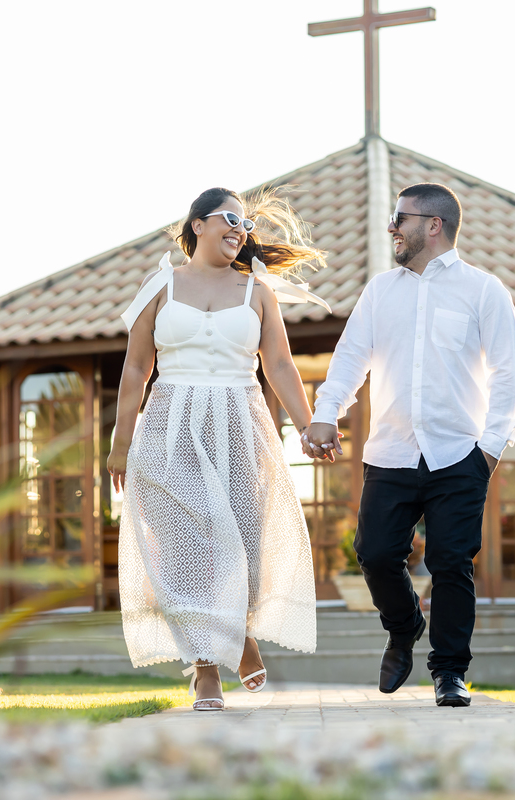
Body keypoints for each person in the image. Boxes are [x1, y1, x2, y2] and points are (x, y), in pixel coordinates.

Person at [109, 187, 331, 711]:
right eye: (231, 218)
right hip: (170, 427)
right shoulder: (160, 283)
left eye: (247, 225)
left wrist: (309, 425)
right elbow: (136, 368)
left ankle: (242, 634)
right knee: (181, 555)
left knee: (244, 549)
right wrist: (120, 445)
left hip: (239, 424)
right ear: (198, 224)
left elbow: (279, 366)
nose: (241, 230)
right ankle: (205, 671)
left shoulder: (257, 290)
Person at [304, 183, 515, 707]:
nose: (391, 228)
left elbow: (508, 371)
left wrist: (489, 448)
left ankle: (449, 672)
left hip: (459, 454)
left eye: (399, 218)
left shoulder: (483, 290)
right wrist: (324, 414)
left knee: (452, 564)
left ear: (433, 225)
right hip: (392, 452)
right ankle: (403, 627)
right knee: (376, 553)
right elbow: (350, 358)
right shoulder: (381, 291)